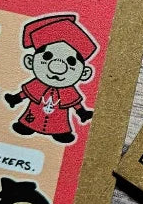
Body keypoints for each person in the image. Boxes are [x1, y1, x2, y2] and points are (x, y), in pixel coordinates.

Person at [6, 14, 97, 144]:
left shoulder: (67, 90)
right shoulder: (38, 84)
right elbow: (26, 93)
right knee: (31, 119)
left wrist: (82, 113)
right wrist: (15, 98)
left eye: (71, 61)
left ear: (84, 73)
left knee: (59, 123)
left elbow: (74, 103)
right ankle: (27, 126)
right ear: (30, 61)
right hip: (34, 114)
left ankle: (61, 132)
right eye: (47, 56)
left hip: (58, 117)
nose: (57, 68)